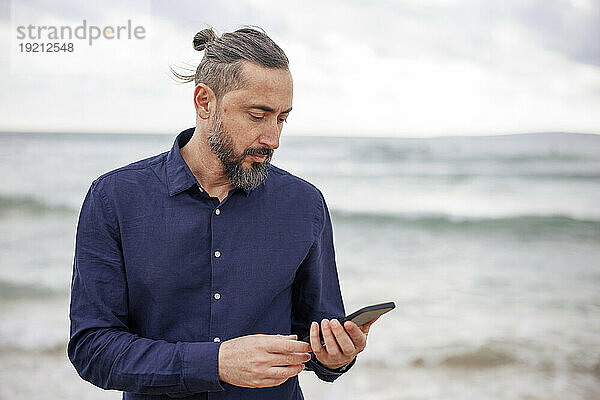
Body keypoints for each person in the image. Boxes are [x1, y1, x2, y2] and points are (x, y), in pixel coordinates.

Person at [67, 27, 378, 400]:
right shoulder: (114, 198)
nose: (273, 138)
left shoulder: (304, 203)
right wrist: (214, 363)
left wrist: (335, 356)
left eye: (281, 118)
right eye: (258, 116)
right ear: (204, 102)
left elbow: (316, 339)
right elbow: (92, 350)